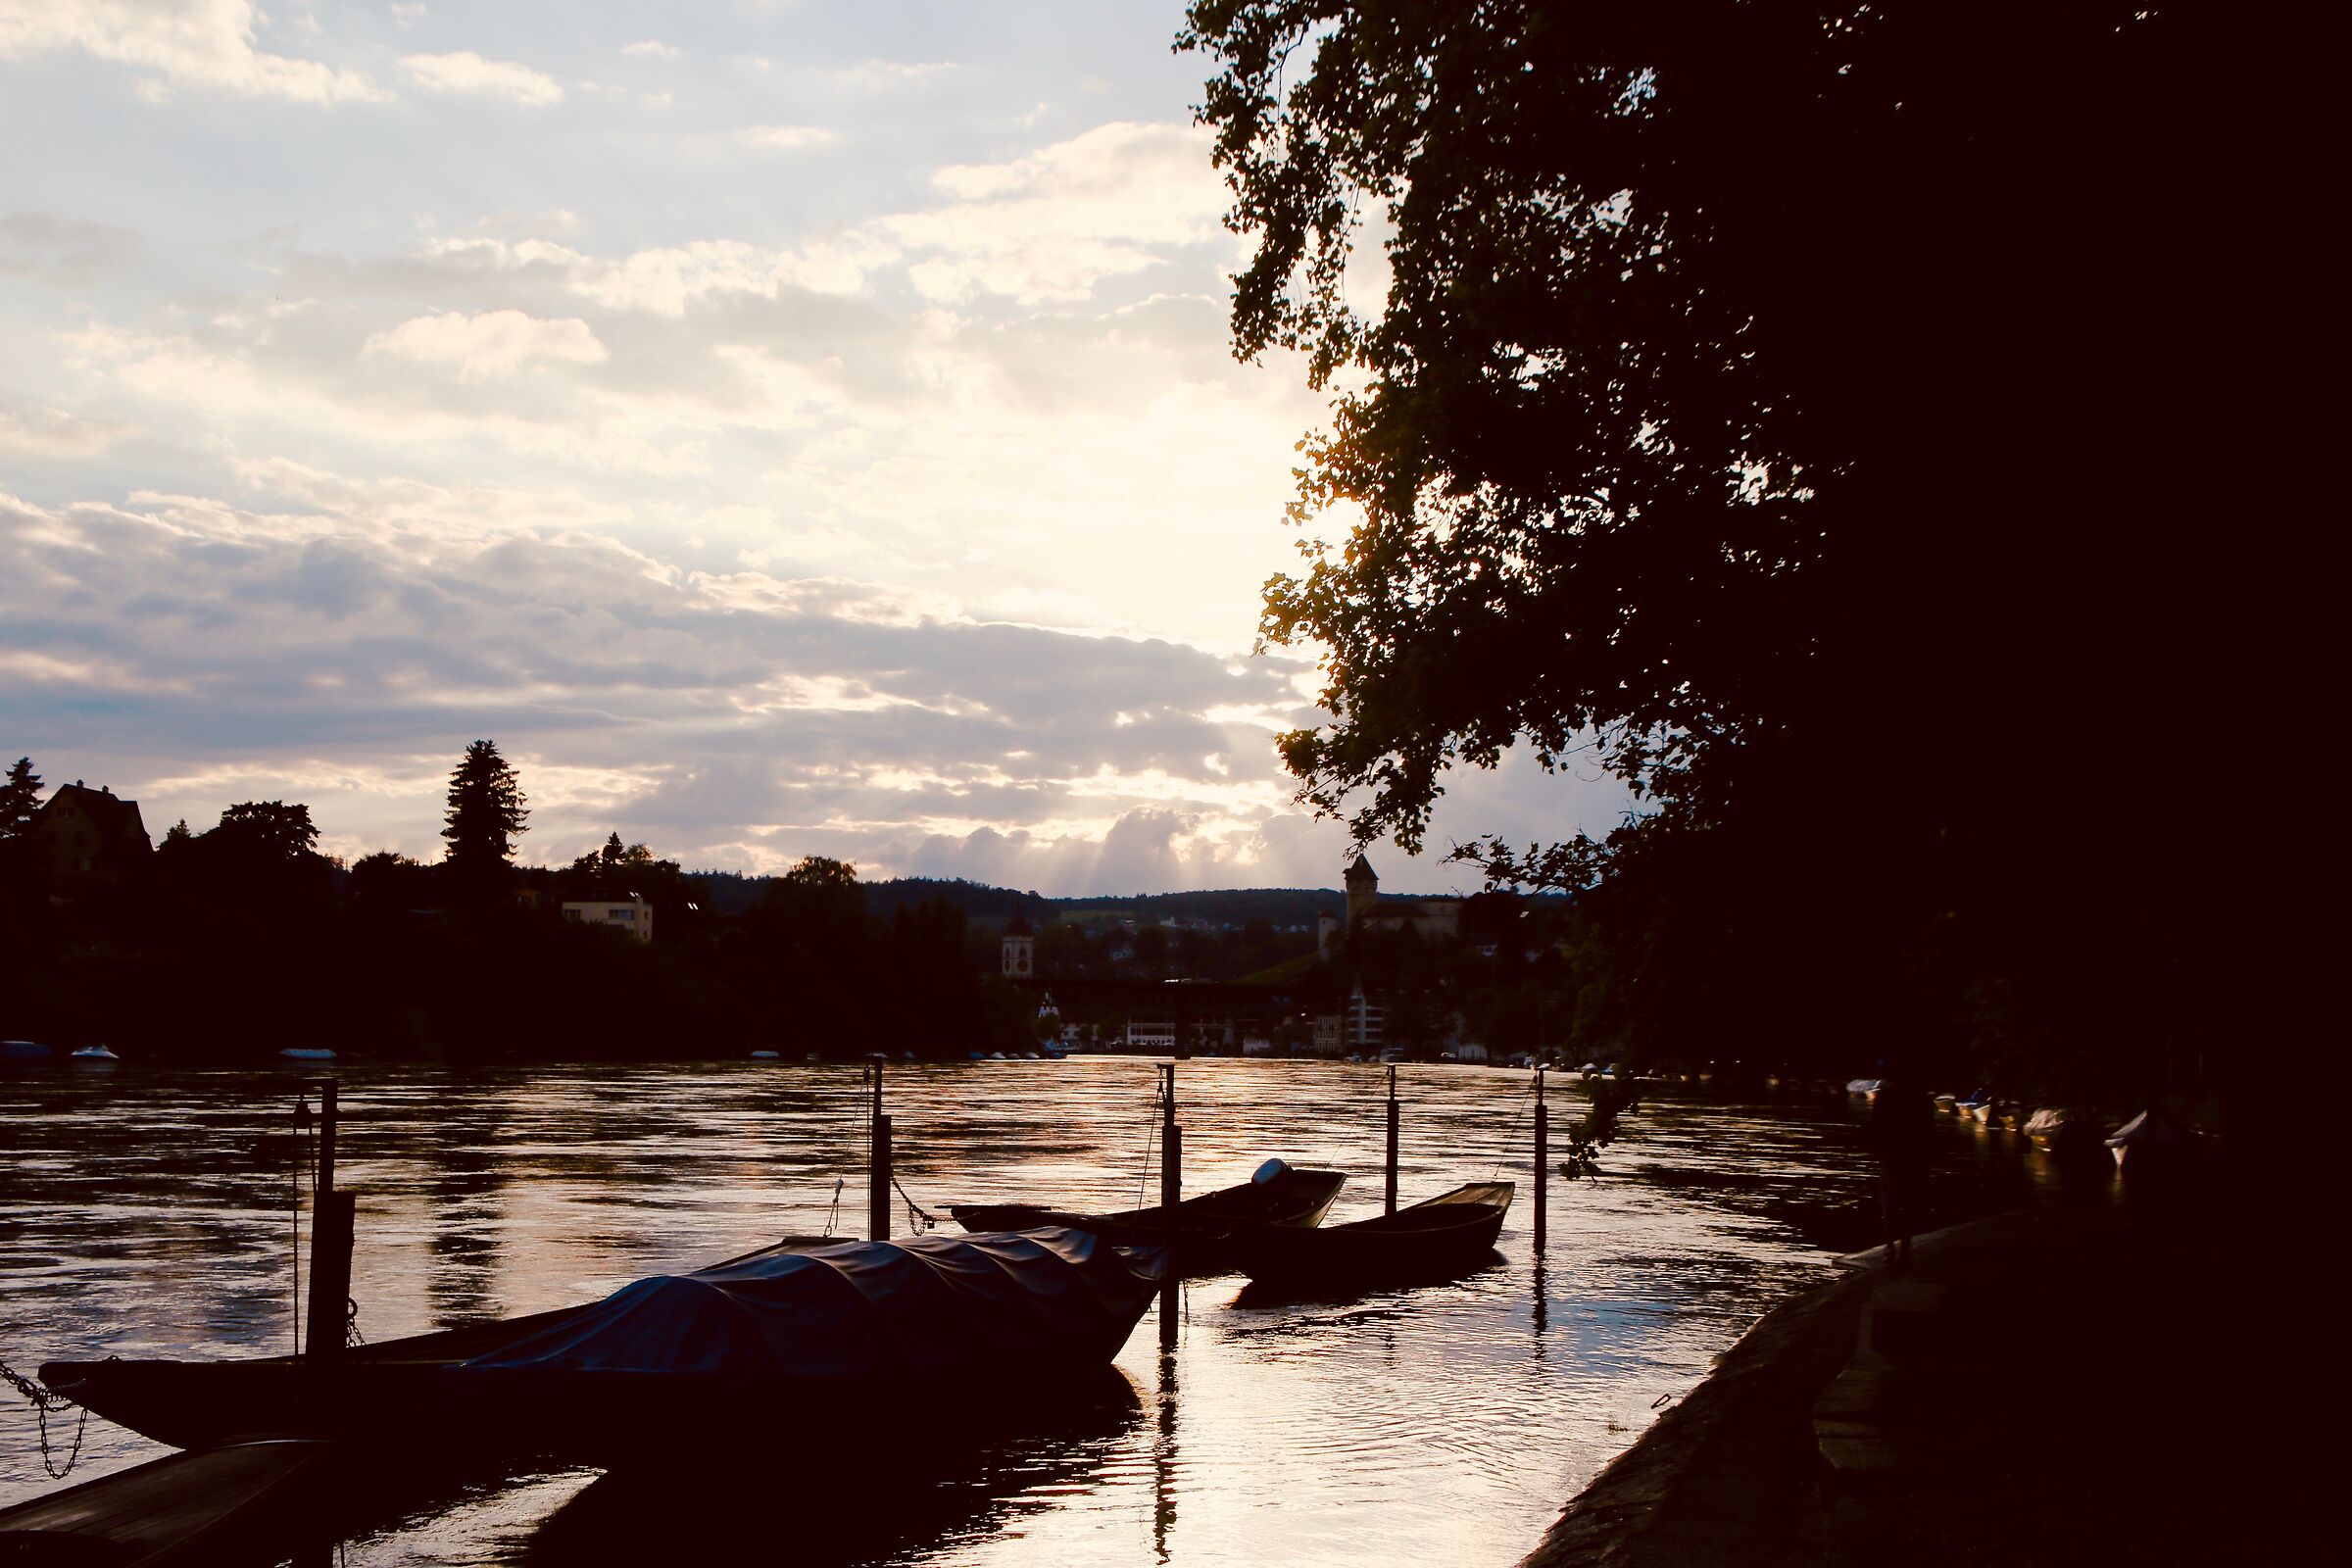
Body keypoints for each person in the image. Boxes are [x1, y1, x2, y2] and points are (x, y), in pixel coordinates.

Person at [1867, 1071, 1936, 1268]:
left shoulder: (1886, 1096)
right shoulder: (1919, 1097)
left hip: (1894, 1154)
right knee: (1909, 1203)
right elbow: (1929, 1128)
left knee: (1891, 1203)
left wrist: (1878, 1151)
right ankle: (1903, 1249)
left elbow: (1876, 1127)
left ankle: (1891, 1249)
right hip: (1914, 1154)